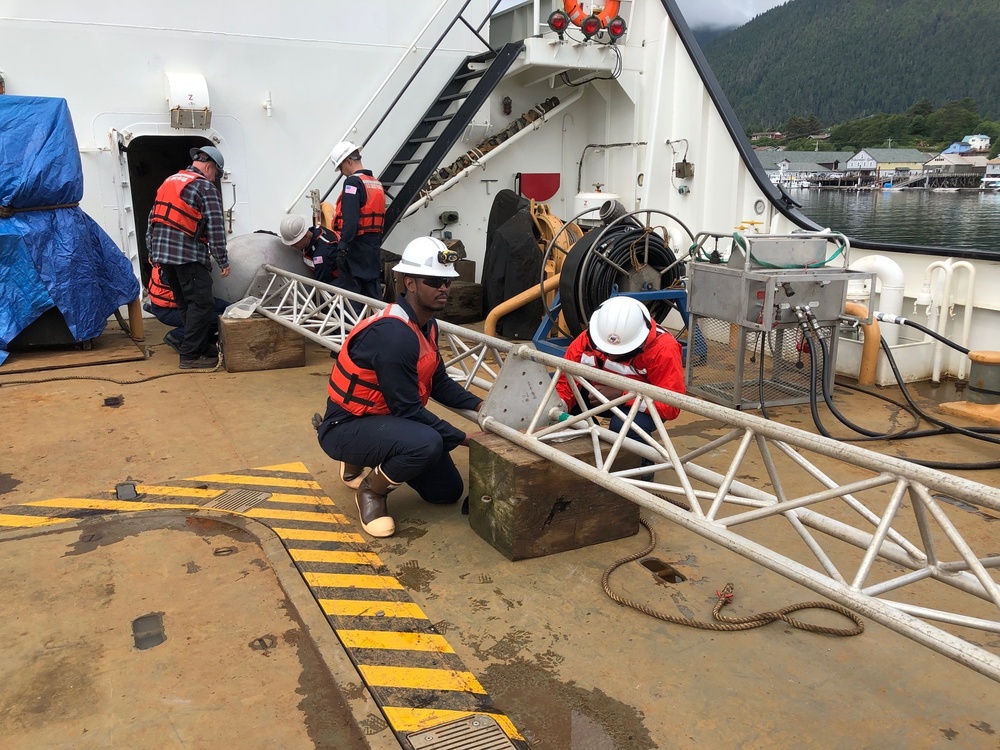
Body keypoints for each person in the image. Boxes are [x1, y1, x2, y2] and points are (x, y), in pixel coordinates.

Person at [316, 236, 483, 538]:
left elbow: (439, 382)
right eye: (434, 280)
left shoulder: (426, 324)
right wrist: (463, 438)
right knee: (426, 442)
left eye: (448, 281)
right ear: (410, 283)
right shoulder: (395, 336)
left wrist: (480, 405)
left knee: (446, 492)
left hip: (384, 420)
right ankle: (371, 491)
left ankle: (366, 457)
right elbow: (407, 410)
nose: (444, 288)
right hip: (346, 425)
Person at [556, 295, 685, 441]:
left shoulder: (663, 350)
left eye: (619, 352)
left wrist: (623, 395)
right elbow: (565, 383)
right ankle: (590, 442)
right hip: (597, 396)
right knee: (553, 401)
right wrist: (557, 408)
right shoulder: (589, 338)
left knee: (625, 427)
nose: (611, 356)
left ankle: (642, 461)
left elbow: (671, 406)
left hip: (639, 405)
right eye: (606, 350)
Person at [147, 145, 231, 369]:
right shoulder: (204, 186)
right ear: (209, 166)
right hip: (188, 256)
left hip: (165, 258)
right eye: (216, 174)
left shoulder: (169, 182)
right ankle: (191, 355)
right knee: (203, 304)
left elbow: (153, 219)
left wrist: (153, 253)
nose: (215, 179)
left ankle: (199, 346)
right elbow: (215, 227)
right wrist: (222, 259)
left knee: (186, 303)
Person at [329, 141, 385, 302]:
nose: (341, 172)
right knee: (373, 293)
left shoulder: (352, 182)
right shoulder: (375, 182)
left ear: (348, 161)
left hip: (356, 247)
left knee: (352, 297)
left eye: (340, 168)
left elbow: (351, 220)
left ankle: (353, 327)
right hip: (373, 247)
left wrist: (343, 248)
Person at [143, 263, 228, 354]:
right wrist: (230, 307)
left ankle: (203, 339)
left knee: (219, 312)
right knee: (215, 318)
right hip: (168, 312)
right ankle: (177, 337)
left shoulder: (166, 263)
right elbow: (201, 300)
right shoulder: (183, 271)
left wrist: (228, 307)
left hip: (162, 307)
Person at [279, 214, 340, 285]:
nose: (292, 246)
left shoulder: (322, 254)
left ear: (305, 235)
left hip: (341, 282)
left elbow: (323, 284)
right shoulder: (314, 231)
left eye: (295, 243)